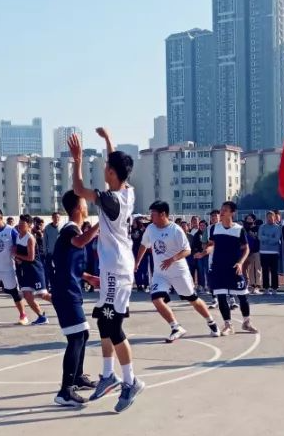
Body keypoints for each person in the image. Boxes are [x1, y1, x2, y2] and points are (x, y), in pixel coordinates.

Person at [69, 128, 144, 413]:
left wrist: (77, 160)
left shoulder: (111, 199)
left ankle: (130, 382)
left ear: (112, 173)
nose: (103, 169)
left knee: (113, 326)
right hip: (114, 267)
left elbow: (79, 190)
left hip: (117, 270)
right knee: (103, 320)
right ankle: (108, 374)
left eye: (106, 167)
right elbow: (116, 163)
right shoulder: (127, 191)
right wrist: (108, 140)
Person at [135, 201, 219, 343]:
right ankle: (176, 327)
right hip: (160, 273)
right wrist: (137, 262)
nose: (151, 217)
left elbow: (187, 250)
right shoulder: (151, 228)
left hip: (179, 272)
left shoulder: (175, 230)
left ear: (163, 214)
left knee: (193, 300)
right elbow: (144, 245)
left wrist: (172, 259)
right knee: (156, 299)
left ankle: (211, 322)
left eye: (153, 214)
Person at [51, 190, 99, 407]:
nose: (87, 206)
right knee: (77, 337)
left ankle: (77, 377)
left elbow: (68, 263)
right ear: (79, 208)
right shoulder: (70, 229)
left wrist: (88, 277)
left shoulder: (72, 231)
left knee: (83, 334)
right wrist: (100, 225)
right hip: (66, 293)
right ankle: (65, 392)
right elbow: (79, 242)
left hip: (71, 289)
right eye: (85, 203)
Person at [206, 200, 258, 336]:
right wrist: (205, 251)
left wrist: (240, 262)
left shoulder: (238, 229)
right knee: (221, 296)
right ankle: (228, 325)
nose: (222, 212)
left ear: (232, 213)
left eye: (225, 210)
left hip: (234, 267)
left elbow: (246, 248)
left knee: (242, 296)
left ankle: (246, 322)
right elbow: (211, 244)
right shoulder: (214, 228)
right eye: (221, 209)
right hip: (218, 267)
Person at [15, 214, 51, 325]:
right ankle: (42, 317)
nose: (20, 225)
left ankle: (64, 305)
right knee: (27, 295)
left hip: (35, 269)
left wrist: (16, 255)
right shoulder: (18, 236)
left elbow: (31, 258)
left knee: (43, 295)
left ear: (29, 225)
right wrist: (17, 258)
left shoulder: (30, 238)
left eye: (23, 224)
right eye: (19, 223)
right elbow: (19, 255)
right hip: (24, 270)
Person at [258, 211, 282, 295]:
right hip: (263, 252)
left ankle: (274, 288)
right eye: (268, 217)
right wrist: (270, 237)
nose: (269, 219)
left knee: (274, 271)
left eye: (271, 217)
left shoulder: (278, 228)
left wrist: (266, 238)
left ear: (274, 218)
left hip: (274, 252)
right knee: (265, 271)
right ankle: (266, 288)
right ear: (266, 218)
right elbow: (260, 237)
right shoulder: (262, 227)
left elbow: (276, 239)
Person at [242, 214, 261, 293]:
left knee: (256, 268)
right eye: (247, 219)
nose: (249, 220)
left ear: (254, 220)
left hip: (255, 250)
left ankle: (257, 286)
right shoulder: (243, 229)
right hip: (246, 251)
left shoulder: (257, 228)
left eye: (250, 218)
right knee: (248, 269)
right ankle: (251, 285)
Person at [44, 212, 62, 289]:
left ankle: (59, 285)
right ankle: (51, 285)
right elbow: (45, 241)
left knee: (59, 269)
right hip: (50, 253)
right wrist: (45, 252)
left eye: (58, 217)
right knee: (49, 270)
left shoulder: (62, 228)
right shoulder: (47, 228)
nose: (56, 219)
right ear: (52, 218)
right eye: (54, 217)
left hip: (59, 253)